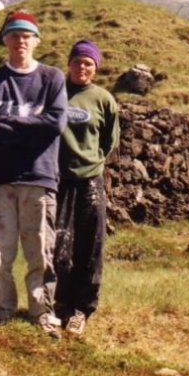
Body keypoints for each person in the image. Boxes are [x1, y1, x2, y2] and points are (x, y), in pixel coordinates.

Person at [0, 10, 68, 338]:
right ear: (5, 41)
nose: (21, 41)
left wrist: (11, 124)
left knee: (39, 250)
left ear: (36, 41)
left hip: (39, 177)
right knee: (0, 250)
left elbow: (55, 123)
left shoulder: (52, 78)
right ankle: (3, 309)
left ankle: (41, 311)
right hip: (1, 179)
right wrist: (32, 130)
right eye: (14, 35)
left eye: (27, 36)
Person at [54, 40, 120, 336]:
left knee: (90, 245)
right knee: (59, 246)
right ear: (69, 63)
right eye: (77, 61)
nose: (82, 67)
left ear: (96, 68)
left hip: (90, 181)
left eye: (88, 63)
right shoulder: (55, 92)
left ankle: (82, 309)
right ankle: (61, 304)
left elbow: (109, 141)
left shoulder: (103, 99)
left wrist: (92, 162)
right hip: (58, 180)